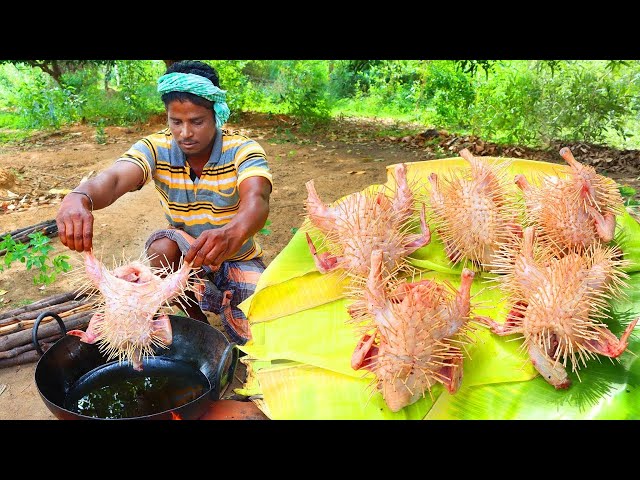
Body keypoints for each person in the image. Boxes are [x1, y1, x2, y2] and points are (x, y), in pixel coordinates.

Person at [55, 60, 272, 345]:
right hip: (186, 250)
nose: (185, 133)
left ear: (216, 115)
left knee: (258, 335)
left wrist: (231, 233)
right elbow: (115, 179)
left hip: (236, 252)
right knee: (162, 247)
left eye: (197, 121)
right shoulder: (156, 147)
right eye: (176, 121)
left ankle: (230, 305)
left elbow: (257, 199)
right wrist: (80, 196)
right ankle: (197, 324)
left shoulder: (243, 149)